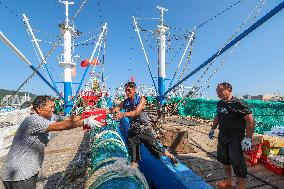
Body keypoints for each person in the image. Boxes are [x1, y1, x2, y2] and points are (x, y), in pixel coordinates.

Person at [0, 95, 99, 189]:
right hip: (18, 175)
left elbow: (67, 119)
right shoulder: (33, 120)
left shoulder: (48, 117)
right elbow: (59, 126)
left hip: (29, 171)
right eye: (51, 107)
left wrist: (90, 115)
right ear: (39, 109)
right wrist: (85, 122)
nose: (53, 109)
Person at [108, 82, 179, 168]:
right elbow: (114, 109)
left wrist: (122, 114)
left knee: (155, 149)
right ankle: (134, 170)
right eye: (126, 90)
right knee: (133, 154)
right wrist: (101, 111)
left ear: (134, 90)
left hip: (144, 129)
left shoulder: (141, 99)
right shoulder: (125, 102)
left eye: (129, 90)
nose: (127, 92)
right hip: (133, 130)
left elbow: (136, 112)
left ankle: (171, 156)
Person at [208, 82, 255, 189]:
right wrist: (212, 128)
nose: (218, 94)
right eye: (217, 92)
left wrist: (248, 138)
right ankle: (229, 180)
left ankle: (241, 185)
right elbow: (218, 116)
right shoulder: (220, 103)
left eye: (220, 91)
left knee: (237, 161)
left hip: (236, 138)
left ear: (229, 89)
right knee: (225, 160)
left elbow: (250, 121)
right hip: (223, 136)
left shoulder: (239, 103)